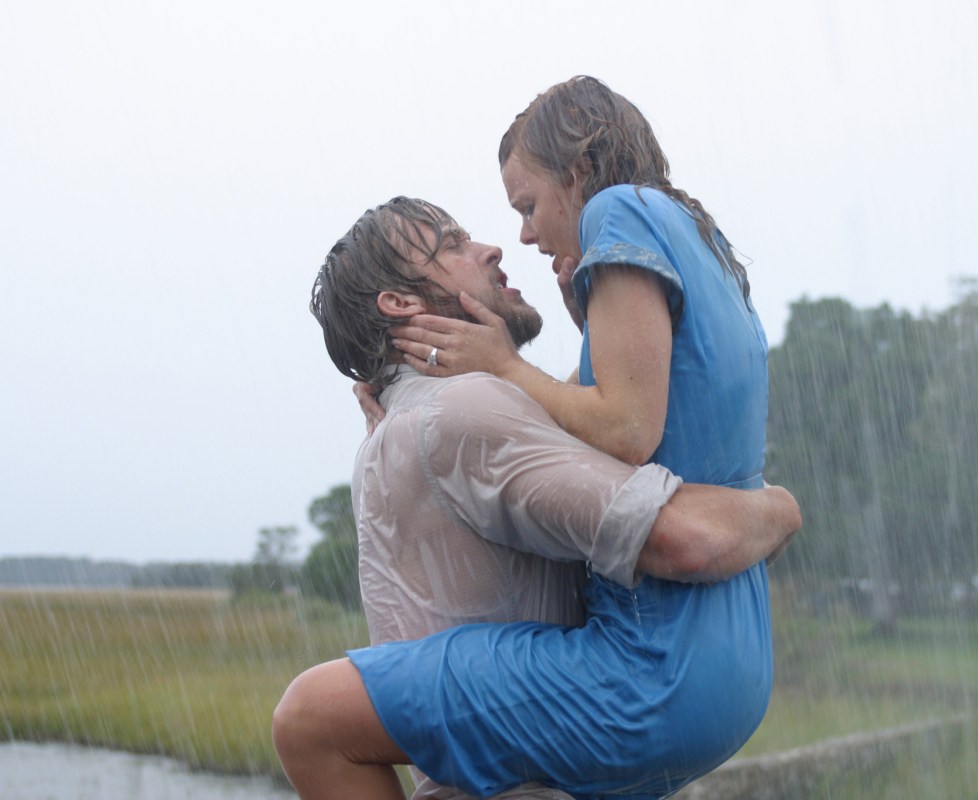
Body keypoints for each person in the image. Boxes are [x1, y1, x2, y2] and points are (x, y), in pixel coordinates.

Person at [273, 196, 800, 800]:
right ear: (401, 305)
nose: (490, 248)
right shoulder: (459, 412)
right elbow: (686, 541)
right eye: (451, 245)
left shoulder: (394, 433)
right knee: (311, 712)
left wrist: (601, 334)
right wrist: (778, 507)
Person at [387, 76, 778, 791]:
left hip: (659, 655)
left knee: (327, 714)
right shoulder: (699, 236)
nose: (526, 235)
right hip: (740, 646)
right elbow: (686, 415)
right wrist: (590, 339)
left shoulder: (616, 209)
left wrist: (504, 365)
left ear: (578, 170)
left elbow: (628, 431)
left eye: (529, 206)